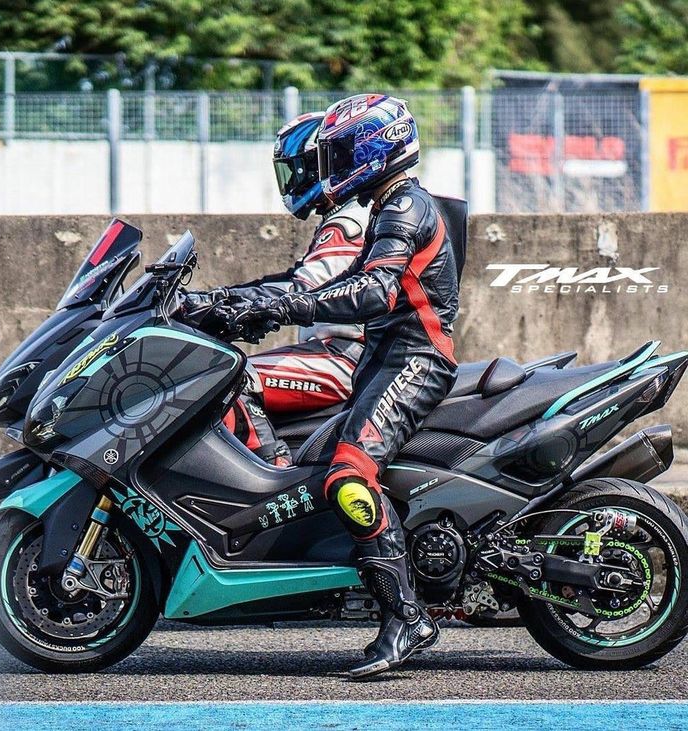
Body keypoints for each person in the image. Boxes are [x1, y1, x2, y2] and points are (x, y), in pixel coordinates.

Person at [235, 94, 459, 678]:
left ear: (371, 148)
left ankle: (406, 618)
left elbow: (375, 292)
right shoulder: (388, 206)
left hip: (415, 360)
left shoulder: (406, 206)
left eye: (339, 152)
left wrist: (296, 305)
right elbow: (330, 279)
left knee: (348, 478)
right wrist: (237, 303)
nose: (330, 165)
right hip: (383, 358)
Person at [184, 112, 368, 466]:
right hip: (342, 351)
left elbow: (303, 286)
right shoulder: (352, 213)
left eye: (298, 168)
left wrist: (212, 303)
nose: (293, 180)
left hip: (347, 359)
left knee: (228, 380)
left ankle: (275, 478)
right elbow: (289, 277)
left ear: (323, 164)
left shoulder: (349, 220)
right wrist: (215, 298)